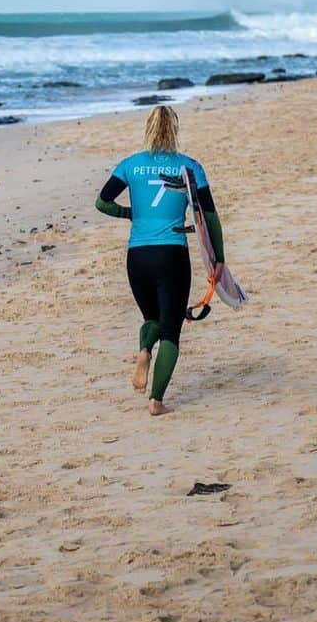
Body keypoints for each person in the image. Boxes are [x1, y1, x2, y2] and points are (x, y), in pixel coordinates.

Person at [94, 105, 224, 416]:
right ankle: (156, 401)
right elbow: (209, 215)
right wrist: (218, 259)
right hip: (172, 254)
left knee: (150, 318)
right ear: (174, 130)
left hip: (137, 256)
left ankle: (143, 351)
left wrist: (130, 214)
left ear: (148, 128)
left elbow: (102, 202)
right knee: (171, 330)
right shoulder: (190, 167)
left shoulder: (130, 165)